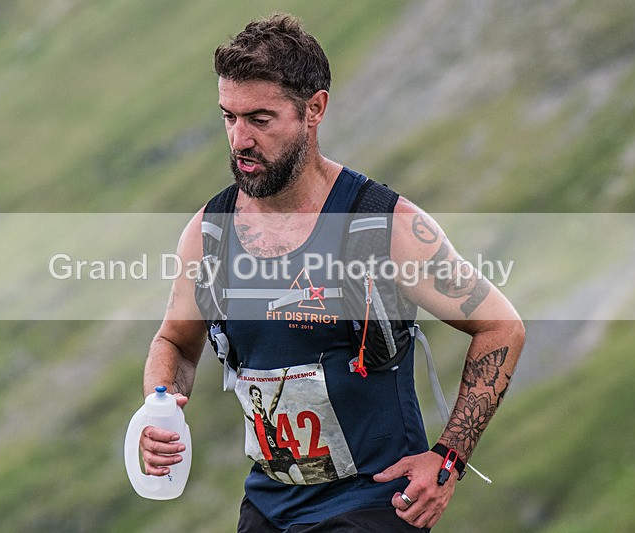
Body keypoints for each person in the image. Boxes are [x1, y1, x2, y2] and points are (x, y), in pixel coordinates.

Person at [140, 13, 525, 531]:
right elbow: (175, 344)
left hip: (372, 506)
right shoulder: (210, 233)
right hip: (269, 504)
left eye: (260, 119)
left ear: (314, 109)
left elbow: (501, 327)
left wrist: (449, 459)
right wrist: (157, 409)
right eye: (228, 117)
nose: (239, 140)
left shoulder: (384, 226)